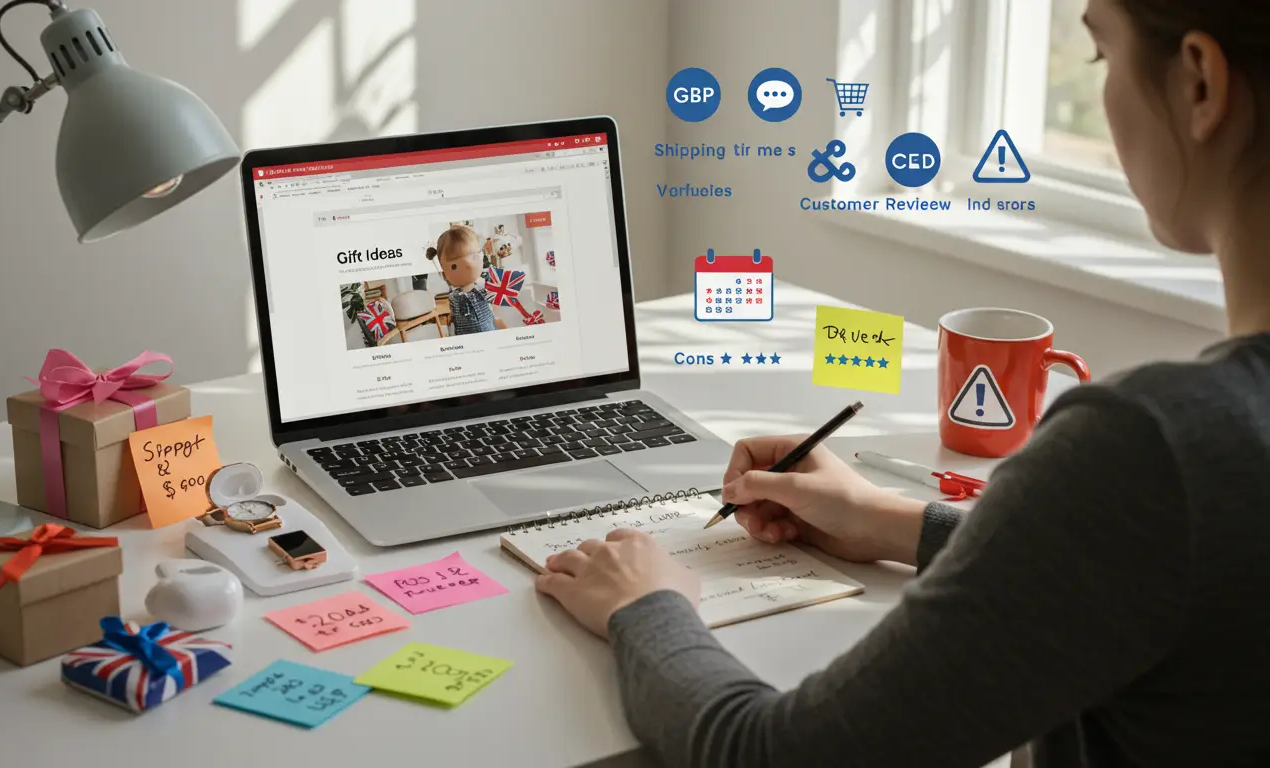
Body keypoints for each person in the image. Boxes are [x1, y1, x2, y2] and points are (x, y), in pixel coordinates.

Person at [535, 1, 1270, 765]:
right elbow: (1152, 569)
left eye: (1101, 56)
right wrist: (890, 520)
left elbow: (771, 755)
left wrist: (646, 607)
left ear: (1200, 84)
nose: (1106, 92)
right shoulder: (1192, 463)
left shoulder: (1151, 449)